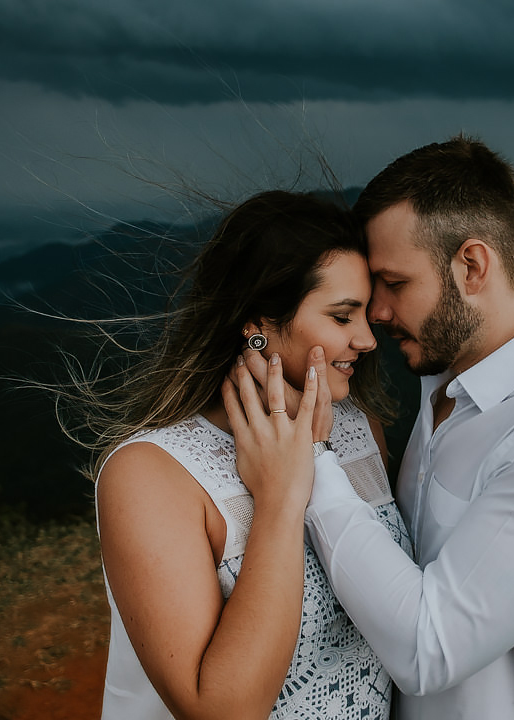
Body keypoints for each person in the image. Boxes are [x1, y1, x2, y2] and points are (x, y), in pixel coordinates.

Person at [230, 136, 514, 720]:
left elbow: (426, 651)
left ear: (472, 266)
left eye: (395, 284)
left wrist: (312, 463)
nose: (376, 313)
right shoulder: (440, 382)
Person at [85, 190, 411, 719]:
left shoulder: (358, 429)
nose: (368, 340)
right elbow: (221, 711)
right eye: (342, 316)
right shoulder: (151, 474)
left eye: (364, 315)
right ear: (257, 325)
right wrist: (281, 496)